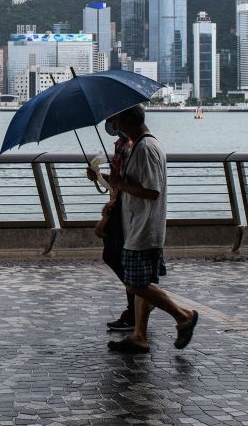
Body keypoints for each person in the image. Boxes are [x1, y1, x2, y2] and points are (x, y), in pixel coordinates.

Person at [88, 104, 199, 353]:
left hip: (144, 227)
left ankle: (183, 316)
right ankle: (139, 336)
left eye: (115, 118)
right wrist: (104, 179)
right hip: (136, 224)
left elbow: (151, 190)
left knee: (135, 284)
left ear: (125, 121)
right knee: (141, 283)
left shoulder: (146, 148)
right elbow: (128, 184)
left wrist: (120, 185)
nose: (113, 124)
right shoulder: (137, 145)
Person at [92, 113, 135, 332]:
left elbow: (126, 184)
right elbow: (118, 181)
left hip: (121, 210)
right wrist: (99, 177)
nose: (108, 122)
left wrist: (108, 214)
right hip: (118, 206)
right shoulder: (121, 145)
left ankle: (138, 302)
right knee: (119, 257)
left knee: (115, 256)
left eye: (112, 118)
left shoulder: (128, 146)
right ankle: (136, 305)